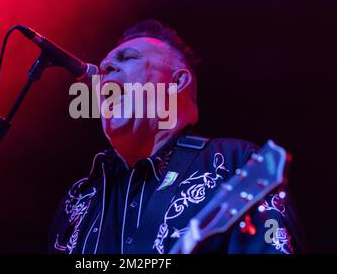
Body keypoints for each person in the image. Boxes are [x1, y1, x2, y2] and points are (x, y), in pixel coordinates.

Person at [47, 19, 301, 254]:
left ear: (177, 82)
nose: (105, 69)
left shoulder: (233, 164)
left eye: (128, 58)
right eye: (104, 68)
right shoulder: (79, 199)